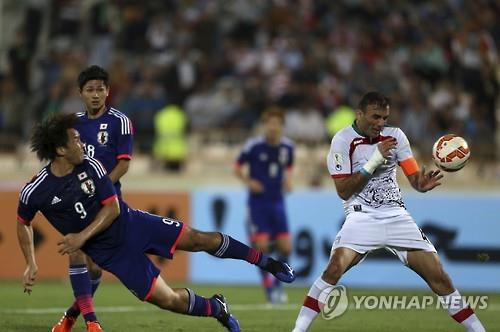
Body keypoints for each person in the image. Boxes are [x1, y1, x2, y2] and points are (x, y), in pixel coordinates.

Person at [17, 114, 296, 332]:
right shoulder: (35, 191)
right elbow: (23, 222)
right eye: (76, 140)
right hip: (112, 254)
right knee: (169, 301)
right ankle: (216, 308)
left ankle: (266, 263)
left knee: (199, 239)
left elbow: (112, 208)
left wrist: (81, 236)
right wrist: (31, 261)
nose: (82, 144)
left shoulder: (91, 164)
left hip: (132, 223)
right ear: (60, 150)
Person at [292, 92, 485, 332]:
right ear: (359, 114)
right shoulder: (342, 141)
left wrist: (420, 185)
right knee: (333, 269)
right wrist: (373, 161)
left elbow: (413, 177)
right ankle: (298, 330)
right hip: (361, 216)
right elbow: (343, 191)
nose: (381, 123)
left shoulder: (396, 136)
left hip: (397, 216)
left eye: (384, 118)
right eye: (375, 117)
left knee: (440, 278)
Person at [51, 65, 134, 332]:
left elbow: (123, 165)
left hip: (106, 203)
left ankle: (73, 313)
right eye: (90, 90)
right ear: (80, 93)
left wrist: (99, 187)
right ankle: (89, 322)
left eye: (100, 89)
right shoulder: (72, 124)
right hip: (77, 202)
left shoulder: (119, 121)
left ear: (108, 91)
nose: (96, 95)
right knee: (76, 252)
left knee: (96, 270)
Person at [234, 108, 294, 304]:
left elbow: (289, 166)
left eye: (277, 123)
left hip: (277, 202)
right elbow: (236, 166)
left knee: (286, 247)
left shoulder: (287, 147)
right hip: (258, 204)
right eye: (270, 123)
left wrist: (288, 179)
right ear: (265, 125)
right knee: (261, 246)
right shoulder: (254, 146)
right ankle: (268, 288)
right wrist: (248, 181)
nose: (273, 127)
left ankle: (278, 284)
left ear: (282, 126)